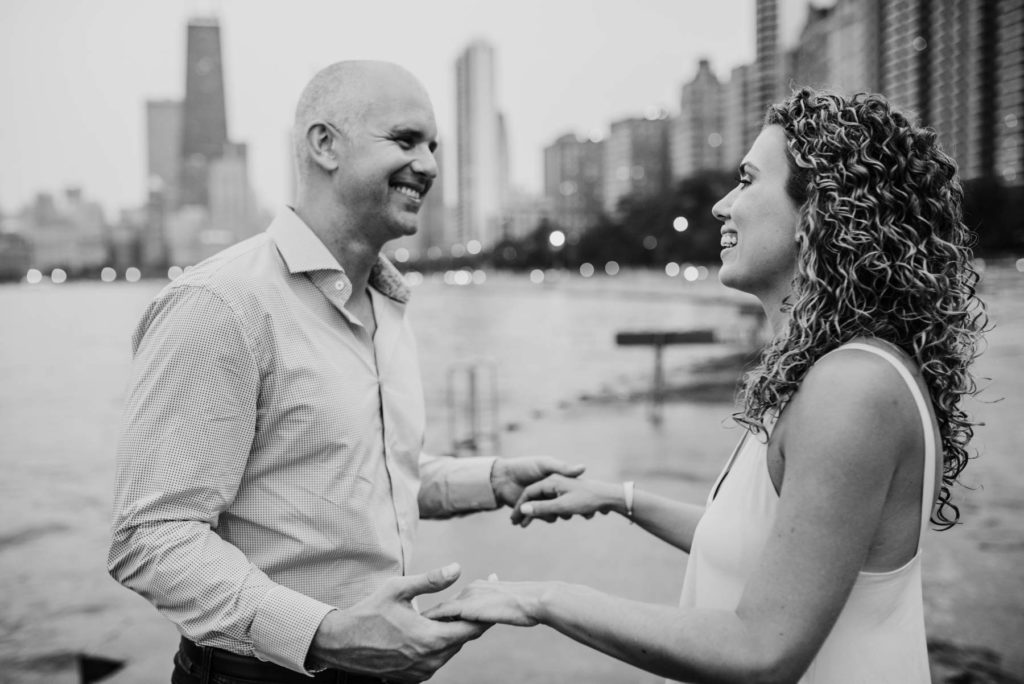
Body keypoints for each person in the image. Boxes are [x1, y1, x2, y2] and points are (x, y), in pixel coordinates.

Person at [425, 88, 988, 682]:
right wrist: (621, 499)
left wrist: (539, 599)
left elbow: (760, 651)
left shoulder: (853, 388)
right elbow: (760, 548)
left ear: (818, 213)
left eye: (746, 181)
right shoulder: (830, 372)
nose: (722, 206)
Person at [108, 60, 584, 684]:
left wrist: (492, 479)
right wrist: (330, 635)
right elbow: (151, 536)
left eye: (434, 146)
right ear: (325, 145)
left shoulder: (387, 302)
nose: (432, 165)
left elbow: (357, 472)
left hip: (377, 668)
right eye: (407, 140)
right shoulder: (222, 304)